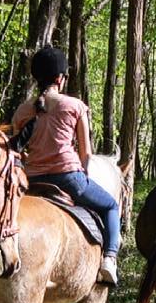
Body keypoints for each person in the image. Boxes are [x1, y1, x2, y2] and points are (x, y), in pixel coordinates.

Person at [12, 46, 120, 287]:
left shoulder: (22, 110)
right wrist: (83, 175)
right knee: (110, 205)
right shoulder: (74, 106)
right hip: (68, 177)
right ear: (60, 78)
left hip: (31, 181)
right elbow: (86, 152)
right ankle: (109, 259)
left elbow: (19, 151)